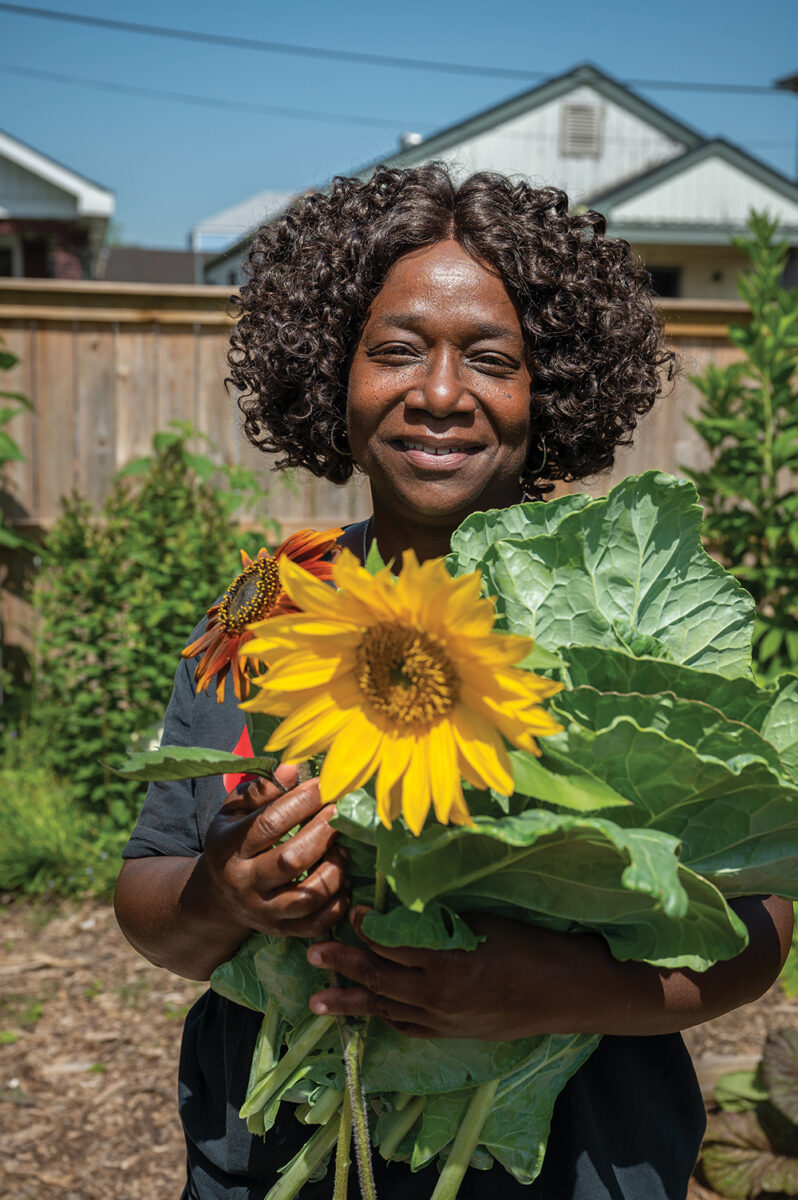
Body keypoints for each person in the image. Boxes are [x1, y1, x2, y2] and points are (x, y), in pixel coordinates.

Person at [114, 164, 793, 1200]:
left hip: (579, 1147)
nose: (438, 392)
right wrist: (228, 893)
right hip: (276, 1148)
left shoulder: (620, 611)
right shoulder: (265, 603)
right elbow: (148, 890)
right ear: (331, 373)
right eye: (394, 351)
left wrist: (552, 990)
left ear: (553, 385)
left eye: (491, 357)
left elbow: (752, 922)